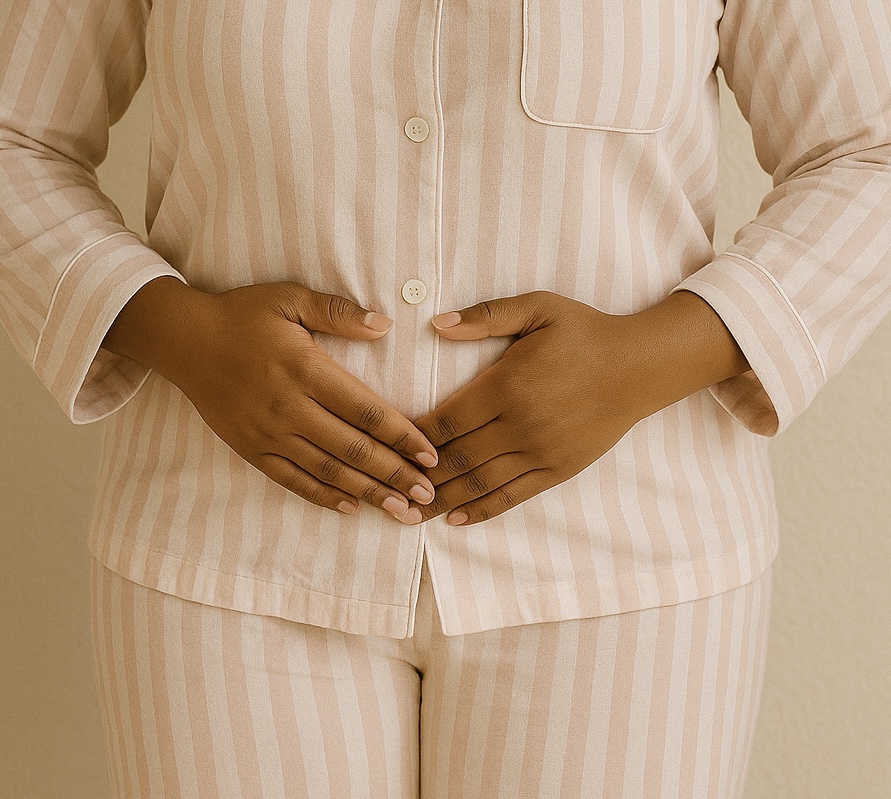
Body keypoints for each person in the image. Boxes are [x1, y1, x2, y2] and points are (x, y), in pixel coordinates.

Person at [1, 0, 889, 796]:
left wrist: (643, 361)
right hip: (228, 555)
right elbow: (16, 137)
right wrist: (180, 335)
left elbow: (868, 148)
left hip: (626, 566)